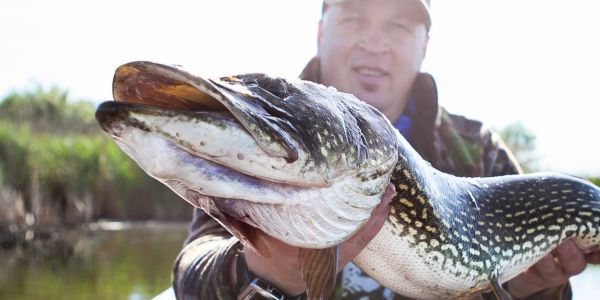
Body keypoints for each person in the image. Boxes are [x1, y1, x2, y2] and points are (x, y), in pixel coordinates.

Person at [172, 0, 600, 299]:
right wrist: (263, 270)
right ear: (322, 31)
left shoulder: (477, 151)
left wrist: (531, 287)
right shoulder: (276, 136)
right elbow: (191, 273)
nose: (373, 42)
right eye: (354, 18)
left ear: (424, 45)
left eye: (397, 25)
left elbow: (530, 287)